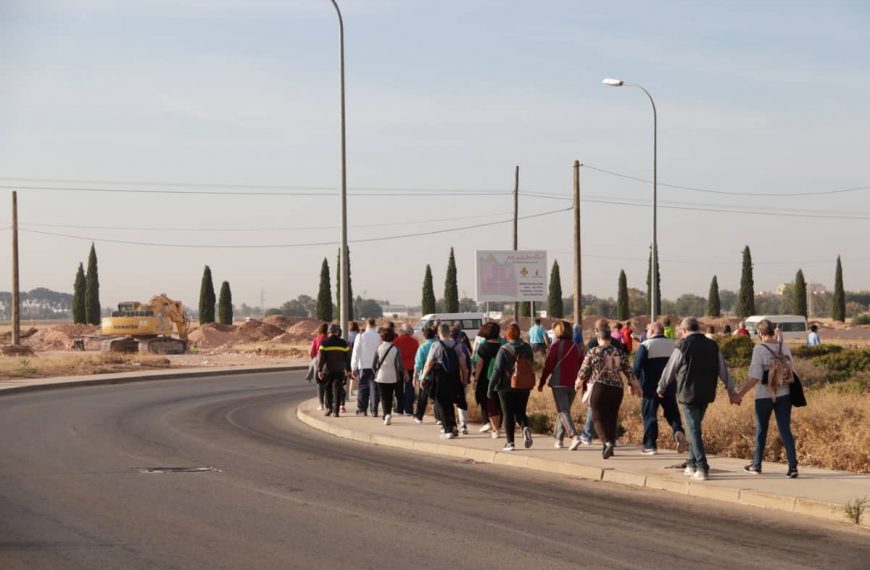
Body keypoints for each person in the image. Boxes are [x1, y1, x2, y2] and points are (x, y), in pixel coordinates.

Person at [658, 317, 740, 481]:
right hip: (707, 393)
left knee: (693, 429)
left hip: (688, 393)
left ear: (684, 330)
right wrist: (731, 390)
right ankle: (691, 463)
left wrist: (661, 387)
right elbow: (723, 369)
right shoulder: (712, 345)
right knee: (693, 427)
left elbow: (670, 367)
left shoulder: (683, 345)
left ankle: (702, 467)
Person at [735, 319, 798, 478]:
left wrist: (739, 395)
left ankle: (756, 465)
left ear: (761, 333)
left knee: (761, 430)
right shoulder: (783, 346)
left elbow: (755, 377)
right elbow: (792, 369)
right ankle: (792, 467)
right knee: (785, 430)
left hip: (764, 396)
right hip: (784, 394)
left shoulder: (759, 349)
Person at [576, 323, 642, 459]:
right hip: (617, 388)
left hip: (600, 387)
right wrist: (636, 386)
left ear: (599, 338)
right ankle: (610, 446)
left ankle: (606, 443)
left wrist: (578, 382)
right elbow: (629, 372)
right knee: (612, 417)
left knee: (597, 417)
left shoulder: (593, 351)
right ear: (610, 339)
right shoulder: (619, 352)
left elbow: (583, 371)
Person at [632, 322, 686, 455]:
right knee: (672, 413)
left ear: (652, 331)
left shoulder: (645, 345)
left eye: (647, 330)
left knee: (650, 415)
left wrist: (632, 385)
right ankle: (678, 431)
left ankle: (650, 445)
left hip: (649, 388)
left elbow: (636, 368)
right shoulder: (673, 344)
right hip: (669, 387)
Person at [488, 322, 535, 452]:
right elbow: (531, 364)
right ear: (519, 334)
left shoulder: (504, 350)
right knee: (520, 411)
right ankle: (525, 427)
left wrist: (491, 388)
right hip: (524, 385)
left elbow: (497, 370)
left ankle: (510, 443)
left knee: (508, 414)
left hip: (505, 386)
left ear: (507, 335)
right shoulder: (527, 348)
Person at [538, 320, 584, 450]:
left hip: (559, 383)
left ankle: (574, 436)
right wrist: (582, 382)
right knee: (564, 411)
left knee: (563, 411)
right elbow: (582, 365)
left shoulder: (556, 347)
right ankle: (559, 439)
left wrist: (541, 383)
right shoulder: (575, 347)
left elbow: (548, 366)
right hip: (573, 383)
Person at [580, 319, 625, 444]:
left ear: (596, 330)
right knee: (612, 414)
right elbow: (626, 366)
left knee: (595, 412)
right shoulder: (617, 344)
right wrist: (634, 384)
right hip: (616, 384)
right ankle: (612, 438)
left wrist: (580, 382)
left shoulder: (592, 345)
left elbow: (584, 367)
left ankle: (589, 435)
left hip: (597, 383)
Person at [420, 323, 469, 439]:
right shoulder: (457, 345)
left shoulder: (436, 345)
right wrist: (465, 379)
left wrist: (423, 377)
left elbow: (429, 363)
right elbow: (463, 364)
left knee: (442, 403)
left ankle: (448, 430)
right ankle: (454, 427)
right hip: (454, 377)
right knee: (450, 402)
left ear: (439, 333)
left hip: (440, 377)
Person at [473, 322, 504, 438]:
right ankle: (497, 426)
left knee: (489, 404)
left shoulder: (483, 347)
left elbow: (479, 365)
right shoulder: (502, 346)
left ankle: (495, 429)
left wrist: (476, 380)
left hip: (485, 380)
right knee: (499, 404)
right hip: (501, 379)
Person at [372, 327, 407, 425]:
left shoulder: (379, 348)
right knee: (390, 396)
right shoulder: (396, 349)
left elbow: (373, 365)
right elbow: (399, 365)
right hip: (392, 376)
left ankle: (386, 415)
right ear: (393, 337)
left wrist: (376, 373)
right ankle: (388, 414)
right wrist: (404, 372)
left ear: (382, 337)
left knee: (383, 397)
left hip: (381, 375)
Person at [316, 324, 351, 417]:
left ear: (329, 332)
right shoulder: (343, 343)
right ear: (337, 332)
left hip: (328, 370)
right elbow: (348, 357)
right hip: (340, 370)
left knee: (327, 389)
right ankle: (336, 411)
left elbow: (322, 358)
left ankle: (329, 409)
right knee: (337, 389)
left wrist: (319, 370)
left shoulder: (324, 343)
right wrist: (348, 369)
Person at [351, 318, 381, 416]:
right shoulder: (378, 336)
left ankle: (362, 409)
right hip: (375, 366)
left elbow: (356, 352)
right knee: (374, 388)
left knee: (363, 387)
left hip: (363, 366)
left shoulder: (361, 336)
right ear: (374, 325)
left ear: (366, 324)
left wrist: (353, 367)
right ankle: (374, 410)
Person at [393, 324, 420, 416]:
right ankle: (408, 409)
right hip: (411, 367)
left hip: (399, 368)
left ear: (402, 331)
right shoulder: (415, 342)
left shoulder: (396, 341)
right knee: (410, 389)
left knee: (398, 388)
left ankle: (400, 408)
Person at [413, 326, 438, 424]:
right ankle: (438, 418)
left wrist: (415, 377)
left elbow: (418, 364)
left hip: (425, 375)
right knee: (437, 397)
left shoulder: (422, 347)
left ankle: (419, 416)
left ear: (424, 336)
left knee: (423, 397)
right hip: (438, 375)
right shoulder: (438, 345)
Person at [310, 323, 329, 410]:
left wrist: (314, 359)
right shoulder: (329, 339)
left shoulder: (316, 339)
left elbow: (311, 352)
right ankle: (328, 404)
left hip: (318, 362)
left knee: (320, 383)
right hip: (329, 362)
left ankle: (321, 404)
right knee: (328, 383)